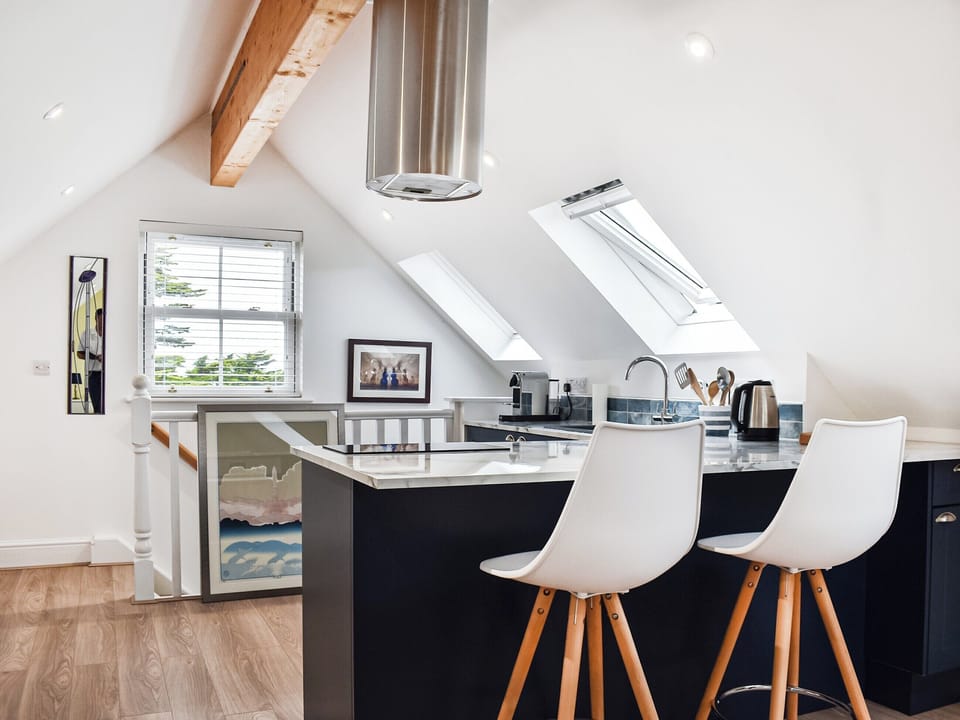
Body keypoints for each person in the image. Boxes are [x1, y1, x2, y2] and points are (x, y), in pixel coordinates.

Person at [77, 308, 104, 413]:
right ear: (96, 318)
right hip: (92, 373)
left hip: (108, 373)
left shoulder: (111, 334)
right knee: (97, 405)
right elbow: (79, 353)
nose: (102, 322)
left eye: (104, 319)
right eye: (100, 319)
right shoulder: (87, 334)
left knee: (106, 405)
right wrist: (96, 357)